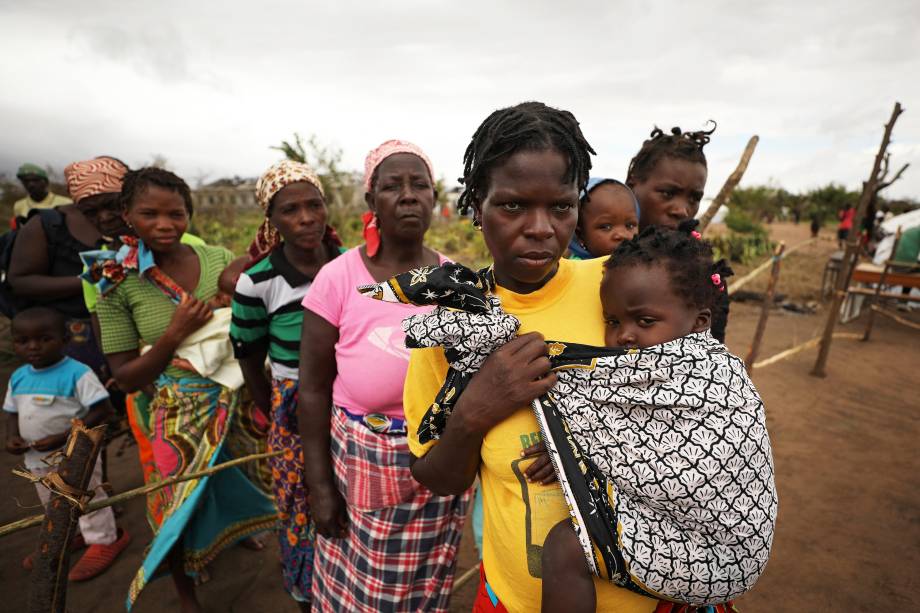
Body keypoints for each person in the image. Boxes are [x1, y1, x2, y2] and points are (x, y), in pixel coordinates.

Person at [404, 101, 659, 612]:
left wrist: (583, 442)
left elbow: (695, 404)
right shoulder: (454, 325)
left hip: (649, 596)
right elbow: (438, 477)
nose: (541, 227)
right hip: (516, 597)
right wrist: (475, 410)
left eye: (561, 207)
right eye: (514, 205)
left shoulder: (621, 287)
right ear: (476, 205)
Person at [539, 223, 774, 611]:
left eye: (644, 321)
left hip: (720, 550)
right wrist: (570, 447)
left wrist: (573, 453)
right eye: (613, 321)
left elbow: (686, 471)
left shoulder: (719, 380)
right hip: (674, 525)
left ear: (700, 323)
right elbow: (607, 411)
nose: (624, 336)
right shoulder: (643, 369)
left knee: (565, 547)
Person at [91, 167, 276, 612]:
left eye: (176, 214)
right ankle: (185, 588)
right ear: (126, 214)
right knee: (174, 499)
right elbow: (127, 377)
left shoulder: (215, 259)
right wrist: (174, 334)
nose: (164, 224)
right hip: (176, 407)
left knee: (245, 474)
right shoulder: (115, 284)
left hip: (238, 393)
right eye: (149, 213)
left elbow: (249, 317)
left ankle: (238, 532)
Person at [299, 139, 470, 611]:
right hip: (358, 459)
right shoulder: (338, 277)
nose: (409, 195)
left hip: (434, 462)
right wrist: (319, 487)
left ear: (435, 200)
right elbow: (311, 390)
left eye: (420, 185)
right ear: (371, 202)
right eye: (392, 186)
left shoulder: (456, 281)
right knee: (355, 584)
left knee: (421, 585)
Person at [230, 160, 343, 609]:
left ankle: (348, 585)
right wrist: (273, 410)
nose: (306, 218)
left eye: (314, 205)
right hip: (293, 402)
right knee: (304, 500)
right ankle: (307, 593)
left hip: (349, 395)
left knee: (349, 494)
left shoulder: (348, 265)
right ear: (272, 221)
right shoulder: (258, 281)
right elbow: (248, 353)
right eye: (291, 210)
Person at [4, 307, 131, 581]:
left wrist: (64, 437)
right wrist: (12, 436)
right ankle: (71, 535)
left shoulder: (77, 373)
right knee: (51, 500)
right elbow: (12, 411)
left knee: (85, 495)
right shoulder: (19, 377)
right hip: (36, 459)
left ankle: (105, 540)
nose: (33, 347)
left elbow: (102, 410)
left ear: (65, 339)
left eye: (44, 339)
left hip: (76, 453)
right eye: (23, 341)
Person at [8, 157, 129, 375]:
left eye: (113, 204)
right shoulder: (47, 225)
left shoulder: (142, 218)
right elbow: (20, 281)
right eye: (90, 209)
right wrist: (94, 280)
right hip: (72, 334)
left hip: (132, 329)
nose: (104, 216)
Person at [625, 125, 730, 343]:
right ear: (633, 184)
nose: (682, 210)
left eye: (694, 199)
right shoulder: (593, 253)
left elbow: (713, 352)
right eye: (667, 193)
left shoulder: (704, 275)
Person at [568, 177, 639, 259]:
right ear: (580, 235)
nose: (622, 235)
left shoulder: (641, 265)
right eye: (606, 227)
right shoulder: (576, 269)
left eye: (630, 225)